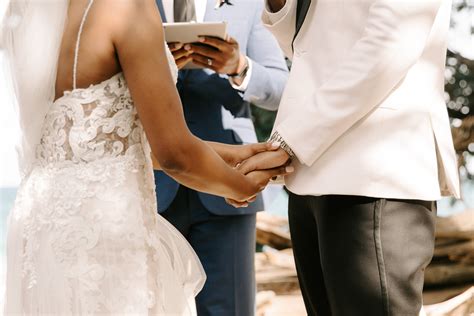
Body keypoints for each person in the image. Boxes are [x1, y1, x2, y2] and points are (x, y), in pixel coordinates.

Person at [2, 0, 290, 314]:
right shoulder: (126, 8)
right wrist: (240, 186)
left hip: (46, 220)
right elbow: (175, 155)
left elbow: (102, 140)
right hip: (108, 223)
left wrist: (236, 154)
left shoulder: (36, 15)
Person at [235, 0, 462, 315]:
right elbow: (304, 43)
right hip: (309, 174)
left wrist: (290, 141)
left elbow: (388, 47)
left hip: (375, 171)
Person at [153, 0, 288, 314]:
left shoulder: (251, 3)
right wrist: (152, 66)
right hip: (149, 182)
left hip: (228, 180)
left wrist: (239, 67)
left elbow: (282, 88)